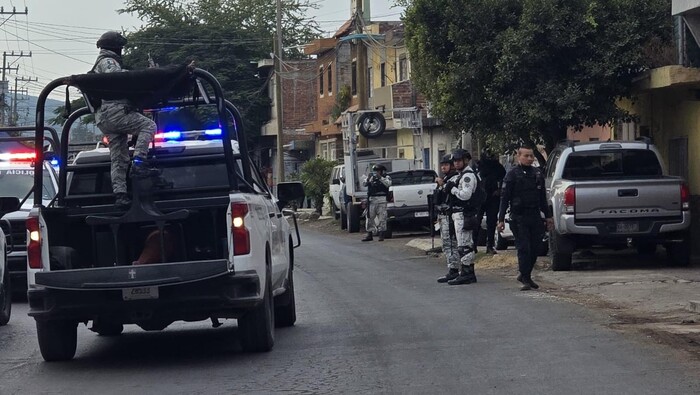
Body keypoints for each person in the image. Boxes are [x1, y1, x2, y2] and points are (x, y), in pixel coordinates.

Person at [92, 31, 157, 209]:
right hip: (115, 112)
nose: (121, 50)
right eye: (120, 46)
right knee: (149, 126)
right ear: (115, 47)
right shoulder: (108, 62)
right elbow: (119, 79)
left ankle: (120, 194)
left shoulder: (103, 62)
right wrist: (144, 76)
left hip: (105, 117)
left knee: (118, 157)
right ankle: (139, 162)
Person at [497, 145, 554, 291]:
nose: (529, 158)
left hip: (534, 215)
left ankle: (525, 274)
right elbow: (505, 198)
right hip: (519, 216)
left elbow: (542, 198)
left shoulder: (537, 174)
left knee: (536, 247)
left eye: (531, 156)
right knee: (524, 248)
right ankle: (526, 278)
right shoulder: (512, 174)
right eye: (526, 156)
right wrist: (501, 219)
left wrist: (548, 217)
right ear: (519, 157)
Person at [443, 149, 479, 285]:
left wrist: (452, 189)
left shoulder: (467, 176)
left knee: (465, 244)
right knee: (462, 243)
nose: (456, 163)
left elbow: (466, 195)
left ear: (466, 160)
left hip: (465, 214)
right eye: (455, 161)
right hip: (458, 213)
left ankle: (467, 273)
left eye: (459, 161)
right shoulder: (461, 175)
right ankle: (465, 271)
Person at [434, 155, 460, 283]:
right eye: (442, 164)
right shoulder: (445, 179)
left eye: (446, 164)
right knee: (446, 243)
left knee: (451, 242)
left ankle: (454, 269)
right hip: (442, 214)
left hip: (450, 215)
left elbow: (449, 193)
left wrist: (442, 185)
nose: (443, 167)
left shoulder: (455, 178)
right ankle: (452, 268)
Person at [475, 147, 506, 254]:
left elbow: (503, 179)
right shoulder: (477, 166)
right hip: (479, 198)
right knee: (476, 221)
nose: (489, 157)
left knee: (491, 222)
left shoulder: (498, 167)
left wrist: (499, 190)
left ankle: (490, 245)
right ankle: (473, 245)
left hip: (493, 197)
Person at [361, 164, 392, 242]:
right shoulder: (371, 177)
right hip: (372, 200)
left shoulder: (386, 177)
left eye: (378, 171)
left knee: (382, 218)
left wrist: (380, 178)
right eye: (375, 171)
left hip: (382, 200)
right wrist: (368, 179)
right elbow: (364, 184)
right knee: (369, 217)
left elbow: (388, 184)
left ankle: (381, 234)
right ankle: (369, 234)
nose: (376, 173)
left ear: (381, 171)